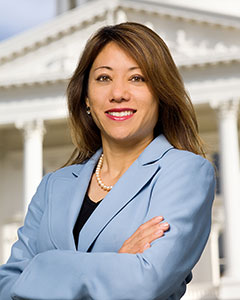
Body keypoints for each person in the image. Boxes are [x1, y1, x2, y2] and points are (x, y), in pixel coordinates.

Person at [0, 22, 215, 300]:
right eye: (103, 78)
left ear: (160, 93)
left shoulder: (186, 172)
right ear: (87, 98)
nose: (118, 93)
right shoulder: (54, 186)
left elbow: (145, 283)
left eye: (137, 78)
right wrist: (118, 260)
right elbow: (6, 285)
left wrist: (41, 267)